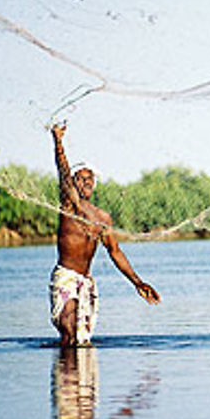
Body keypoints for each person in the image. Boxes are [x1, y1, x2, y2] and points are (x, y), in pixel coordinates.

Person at [50, 123, 159, 345]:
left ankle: (82, 379)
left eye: (91, 178)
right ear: (73, 182)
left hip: (86, 282)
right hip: (66, 277)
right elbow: (62, 171)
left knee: (82, 340)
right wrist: (58, 142)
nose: (87, 181)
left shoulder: (102, 218)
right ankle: (66, 376)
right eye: (81, 178)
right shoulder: (69, 205)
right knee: (69, 332)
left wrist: (138, 282)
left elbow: (115, 251)